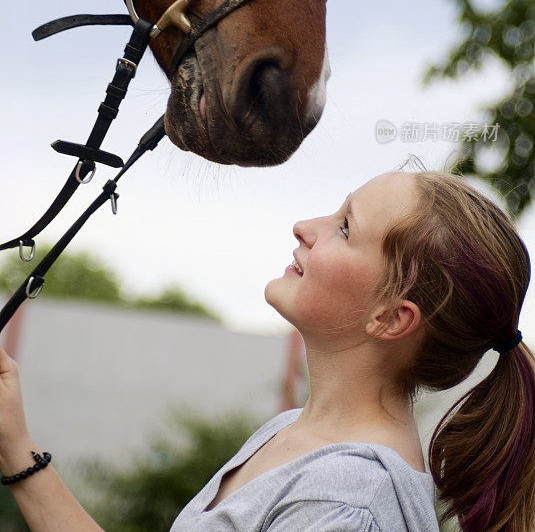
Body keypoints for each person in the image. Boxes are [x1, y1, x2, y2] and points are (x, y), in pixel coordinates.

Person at [0, 169, 534, 532]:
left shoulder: (348, 503)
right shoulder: (292, 435)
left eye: (345, 227)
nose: (305, 226)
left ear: (392, 318)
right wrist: (15, 444)